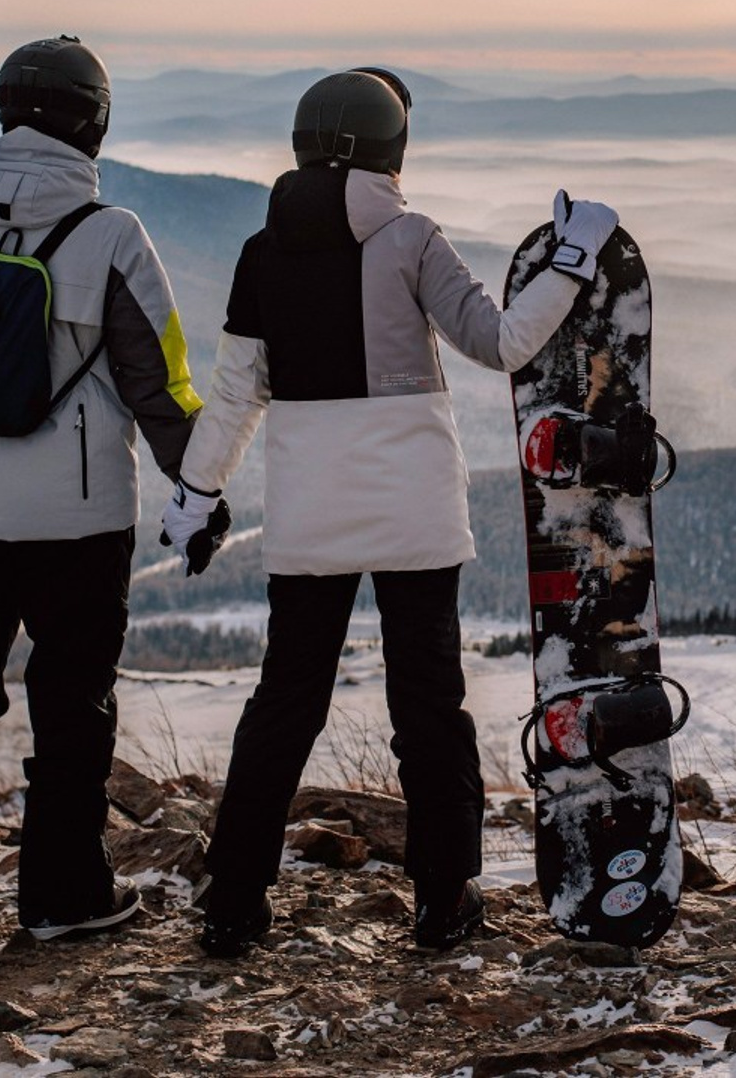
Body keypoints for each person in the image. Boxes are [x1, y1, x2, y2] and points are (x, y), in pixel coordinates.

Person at [160, 68, 619, 957]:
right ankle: (444, 904)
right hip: (413, 516)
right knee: (428, 705)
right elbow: (502, 343)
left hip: (309, 518)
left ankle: (232, 902)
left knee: (286, 703)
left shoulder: (261, 256)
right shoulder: (412, 240)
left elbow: (233, 398)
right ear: (390, 150)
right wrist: (573, 256)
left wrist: (196, 495)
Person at [0, 35, 207, 940]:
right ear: (92, 122)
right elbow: (162, 385)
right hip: (82, 517)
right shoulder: (113, 237)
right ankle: (65, 896)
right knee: (72, 702)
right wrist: (201, 488)